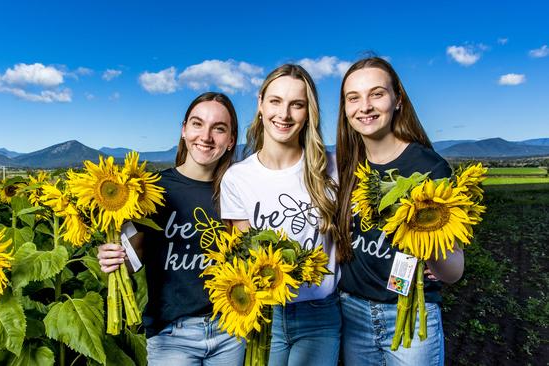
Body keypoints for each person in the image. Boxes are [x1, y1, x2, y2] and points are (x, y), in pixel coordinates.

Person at [334, 56, 464, 366]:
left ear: (398, 100)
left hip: (410, 313)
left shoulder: (429, 167)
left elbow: (453, 271)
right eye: (354, 97)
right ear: (346, 109)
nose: (365, 105)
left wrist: (427, 242)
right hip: (352, 312)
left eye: (377, 93)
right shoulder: (345, 166)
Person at [97, 92, 244, 366]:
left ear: (230, 141)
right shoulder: (154, 189)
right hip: (171, 334)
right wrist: (112, 257)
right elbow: (133, 258)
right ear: (184, 129)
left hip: (230, 332)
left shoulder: (237, 190)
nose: (206, 136)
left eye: (219, 128)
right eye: (198, 124)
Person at [219, 64, 341, 366]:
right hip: (264, 312)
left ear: (308, 112)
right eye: (275, 101)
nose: (284, 115)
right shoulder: (237, 178)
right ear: (260, 103)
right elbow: (243, 257)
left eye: (296, 104)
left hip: (319, 314)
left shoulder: (331, 169)